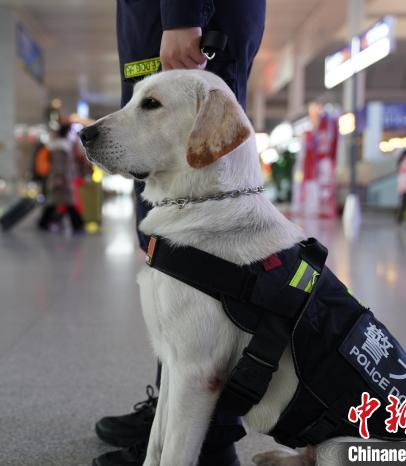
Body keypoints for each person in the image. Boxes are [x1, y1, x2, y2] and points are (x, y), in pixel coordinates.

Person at [93, 1, 266, 465]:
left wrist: (184, 14)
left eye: (146, 106)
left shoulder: (195, 72)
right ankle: (174, 428)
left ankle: (204, 441)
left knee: (199, 269)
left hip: (187, 24)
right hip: (170, 25)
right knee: (177, 274)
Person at [37, 124, 85, 233]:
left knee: (55, 202)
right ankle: (77, 224)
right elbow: (59, 166)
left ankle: (44, 223)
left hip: (61, 179)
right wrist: (59, 178)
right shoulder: (60, 147)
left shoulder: (59, 145)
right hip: (61, 180)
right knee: (67, 202)